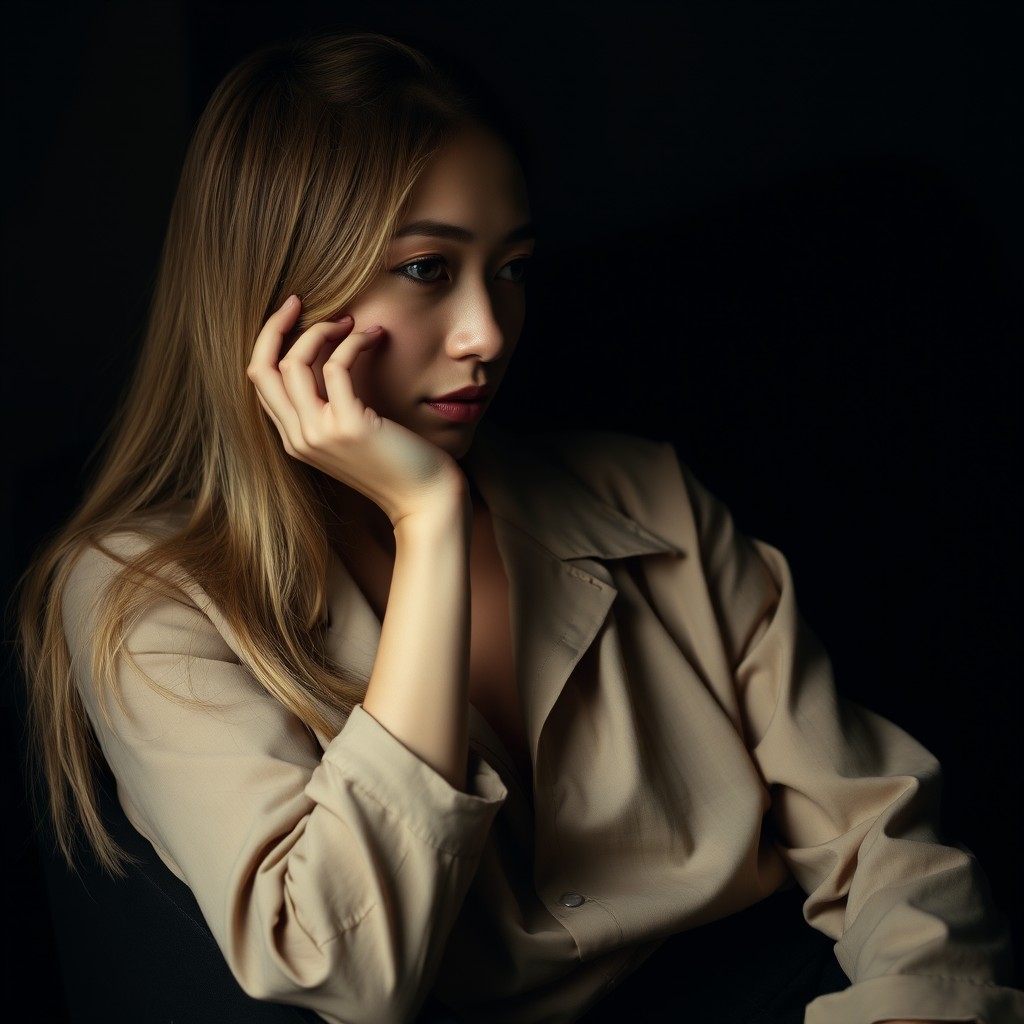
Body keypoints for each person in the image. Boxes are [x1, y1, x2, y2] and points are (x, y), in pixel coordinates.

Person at [16, 30, 1022, 1024]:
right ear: (279, 297)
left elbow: (875, 829)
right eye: (425, 269)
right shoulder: (145, 596)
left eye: (511, 267)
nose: (488, 333)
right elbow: (350, 970)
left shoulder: (644, 494)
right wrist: (429, 523)